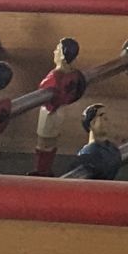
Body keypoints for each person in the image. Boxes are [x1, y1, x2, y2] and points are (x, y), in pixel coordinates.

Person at [32, 36, 86, 175]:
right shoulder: (74, 74)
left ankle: (41, 170)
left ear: (62, 54)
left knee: (43, 143)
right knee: (51, 142)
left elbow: (42, 89)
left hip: (49, 112)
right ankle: (46, 169)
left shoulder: (55, 76)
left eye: (57, 50)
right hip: (60, 110)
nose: (54, 52)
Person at [74, 99, 123, 183]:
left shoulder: (113, 149)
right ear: (92, 123)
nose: (107, 120)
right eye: (102, 117)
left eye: (106, 118)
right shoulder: (88, 154)